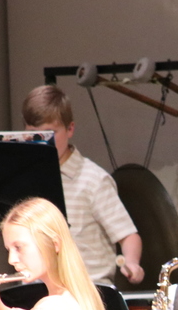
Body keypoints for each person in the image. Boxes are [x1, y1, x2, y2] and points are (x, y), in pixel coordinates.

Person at [22, 84, 145, 286]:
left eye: (50, 133)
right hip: (37, 293)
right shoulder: (22, 177)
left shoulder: (94, 180)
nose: (43, 142)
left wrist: (132, 263)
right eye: (34, 134)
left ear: (70, 129)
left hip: (87, 293)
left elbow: (128, 235)